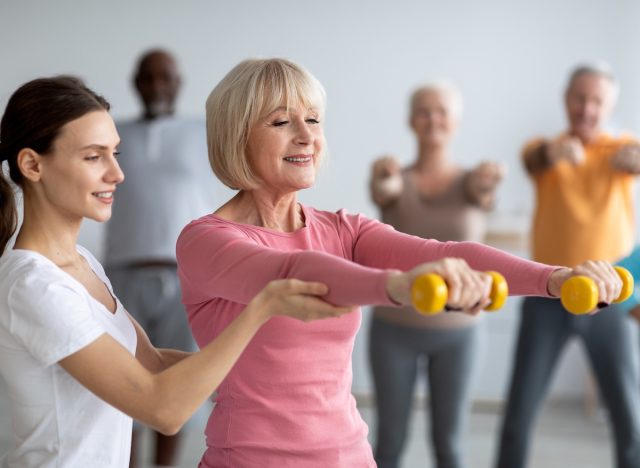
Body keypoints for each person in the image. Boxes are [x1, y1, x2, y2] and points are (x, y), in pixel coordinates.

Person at [175, 57, 624, 468]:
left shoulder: (342, 228)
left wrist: (557, 278)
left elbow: (445, 252)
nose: (308, 135)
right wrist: (403, 287)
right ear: (237, 134)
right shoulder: (206, 241)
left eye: (313, 119)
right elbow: (296, 274)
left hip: (349, 456)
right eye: (281, 121)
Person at [0, 76, 352, 468]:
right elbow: (162, 408)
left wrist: (279, 376)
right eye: (93, 156)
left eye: (116, 153)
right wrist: (261, 308)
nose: (117, 174)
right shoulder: (33, 284)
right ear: (32, 164)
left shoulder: (80, 262)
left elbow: (149, 362)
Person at [495, 63, 640, 468]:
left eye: (597, 101)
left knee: (629, 417)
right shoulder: (543, 151)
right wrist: (555, 152)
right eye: (580, 98)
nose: (587, 109)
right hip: (546, 296)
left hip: (612, 299)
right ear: (566, 100)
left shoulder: (623, 150)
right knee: (520, 412)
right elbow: (534, 157)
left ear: (608, 106)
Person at [368, 81, 504, 468]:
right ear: (411, 120)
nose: (433, 119)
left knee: (450, 446)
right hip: (394, 329)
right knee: (389, 443)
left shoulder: (474, 181)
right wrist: (384, 179)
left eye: (442, 111)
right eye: (424, 111)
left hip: (460, 334)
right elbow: (385, 189)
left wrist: (489, 181)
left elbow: (485, 192)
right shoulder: (393, 176)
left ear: (456, 121)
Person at [103, 48, 218, 467]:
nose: (156, 86)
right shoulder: (111, 135)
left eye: (164, 77)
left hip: (185, 276)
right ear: (136, 83)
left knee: (177, 384)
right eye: (147, 78)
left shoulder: (204, 134)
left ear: (178, 81)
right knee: (124, 384)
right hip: (122, 276)